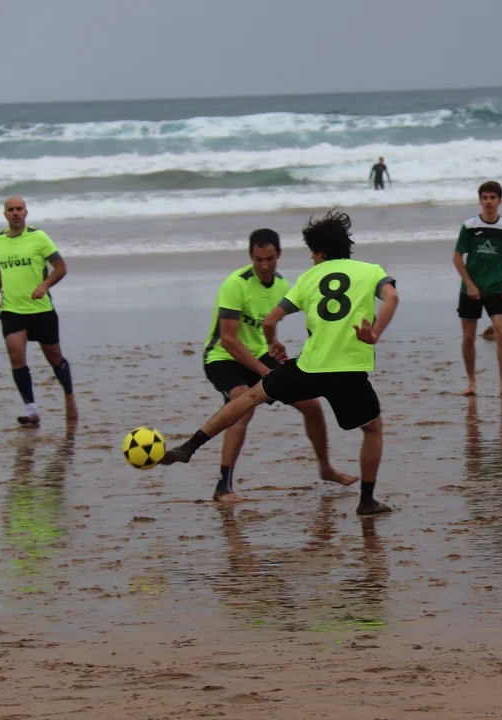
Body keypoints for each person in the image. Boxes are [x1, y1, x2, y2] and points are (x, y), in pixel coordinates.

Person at [161, 210, 399, 516]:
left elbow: (270, 321)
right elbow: (392, 298)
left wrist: (272, 342)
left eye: (312, 253)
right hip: (349, 372)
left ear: (320, 253)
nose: (312, 258)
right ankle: (366, 501)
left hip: (309, 368)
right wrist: (374, 333)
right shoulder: (370, 271)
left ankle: (190, 446)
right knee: (372, 430)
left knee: (249, 398)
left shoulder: (306, 279)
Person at [200, 228, 356, 502]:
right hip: (223, 358)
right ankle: (223, 486)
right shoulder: (235, 284)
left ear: (279, 255)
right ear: (251, 256)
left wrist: (274, 343)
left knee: (312, 405)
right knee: (242, 403)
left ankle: (326, 468)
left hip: (259, 355)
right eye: (258, 259)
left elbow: (269, 325)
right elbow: (228, 340)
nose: (264, 266)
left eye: (269, 259)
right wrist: (264, 372)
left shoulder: (282, 285)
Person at [0, 196, 77, 425]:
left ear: (26, 213)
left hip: (41, 309)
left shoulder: (39, 237)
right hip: (12, 309)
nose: (15, 213)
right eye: (11, 209)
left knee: (55, 359)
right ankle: (31, 409)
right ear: (5, 214)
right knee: (16, 356)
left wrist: (44, 286)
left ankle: (69, 396)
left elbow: (60, 267)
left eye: (19, 209)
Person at [453, 180, 502, 396]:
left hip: (496, 288)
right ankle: (471, 382)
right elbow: (457, 257)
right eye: (485, 198)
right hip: (471, 289)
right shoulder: (470, 226)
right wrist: (469, 284)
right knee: (468, 336)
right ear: (480, 200)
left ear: (499, 201)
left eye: (492, 198)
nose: (488, 202)